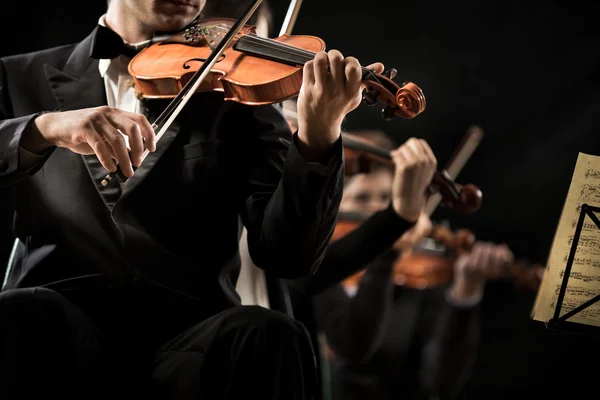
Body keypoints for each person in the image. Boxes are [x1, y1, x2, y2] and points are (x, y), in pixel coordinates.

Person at [0, 0, 390, 398]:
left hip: (188, 347)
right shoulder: (18, 75)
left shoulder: (235, 87)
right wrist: (42, 127)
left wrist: (318, 137)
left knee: (268, 333)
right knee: (22, 309)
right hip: (57, 332)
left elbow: (288, 257)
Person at [306, 130, 514, 400]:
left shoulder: (419, 283)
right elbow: (350, 347)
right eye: (361, 198)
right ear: (335, 208)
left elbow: (440, 382)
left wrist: (465, 295)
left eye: (386, 200)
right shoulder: (318, 271)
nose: (377, 213)